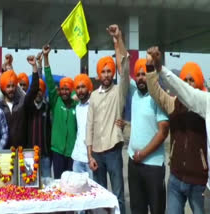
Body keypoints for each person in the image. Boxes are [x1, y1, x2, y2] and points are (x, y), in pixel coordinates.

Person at [146, 46, 210, 203]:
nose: (188, 84)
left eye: (192, 80)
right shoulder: (173, 103)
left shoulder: (204, 104)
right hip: (176, 177)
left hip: (199, 181)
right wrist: (151, 67)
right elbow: (156, 92)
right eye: (185, 81)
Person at [86, 25, 129, 214]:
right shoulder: (93, 96)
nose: (106, 75)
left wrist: (117, 41)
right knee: (100, 196)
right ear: (98, 75)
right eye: (103, 72)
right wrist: (89, 156)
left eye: (109, 71)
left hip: (113, 151)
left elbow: (125, 69)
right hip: (96, 153)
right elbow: (89, 127)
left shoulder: (118, 92)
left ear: (113, 73)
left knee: (118, 194)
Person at [127, 55, 170, 214]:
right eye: (137, 75)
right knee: (137, 209)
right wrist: (118, 41)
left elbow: (163, 131)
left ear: (151, 76)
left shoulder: (158, 97)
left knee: (156, 209)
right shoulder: (135, 93)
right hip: (134, 162)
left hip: (153, 166)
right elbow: (122, 69)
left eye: (144, 74)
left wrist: (143, 154)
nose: (140, 78)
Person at [43, 45, 77, 179]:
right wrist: (46, 57)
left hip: (72, 152)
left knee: (71, 184)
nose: (64, 91)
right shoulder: (55, 101)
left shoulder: (77, 105)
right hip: (57, 151)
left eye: (67, 89)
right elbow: (50, 81)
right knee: (58, 183)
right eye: (62, 89)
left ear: (71, 90)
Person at [0, 55, 39, 149]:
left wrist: (34, 67)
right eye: (8, 87)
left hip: (22, 152)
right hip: (3, 153)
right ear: (3, 88)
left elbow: (34, 90)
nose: (11, 89)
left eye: (13, 86)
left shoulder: (23, 103)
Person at [25, 55, 52, 178]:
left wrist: (40, 65)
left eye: (40, 90)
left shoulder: (48, 107)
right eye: (36, 91)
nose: (38, 93)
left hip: (45, 154)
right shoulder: (28, 107)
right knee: (30, 185)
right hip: (30, 154)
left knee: (47, 186)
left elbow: (42, 81)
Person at [71, 74, 93, 177]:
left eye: (83, 87)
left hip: (91, 158)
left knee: (94, 190)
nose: (80, 90)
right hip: (78, 157)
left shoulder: (94, 105)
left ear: (89, 88)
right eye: (78, 88)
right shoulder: (77, 107)